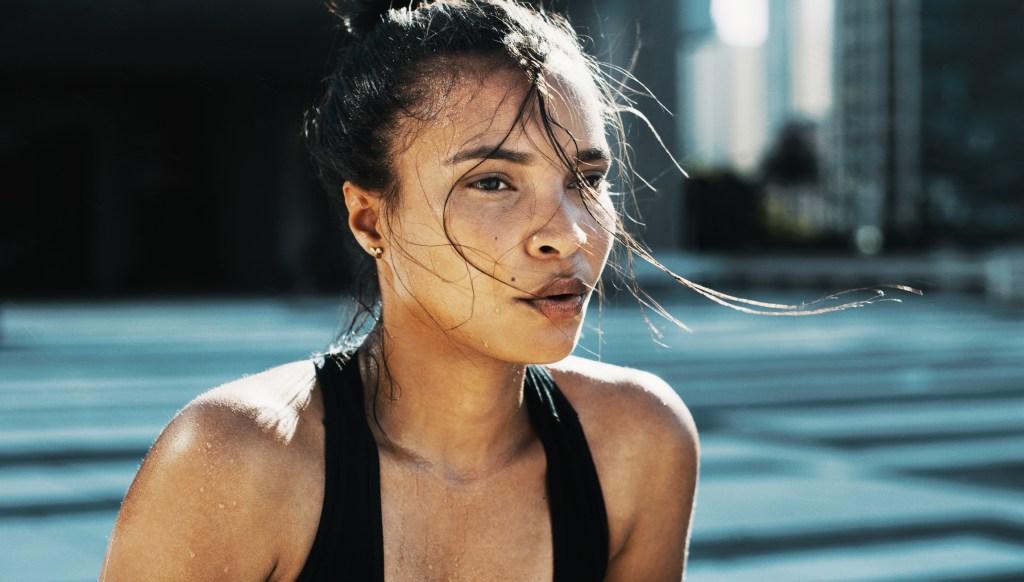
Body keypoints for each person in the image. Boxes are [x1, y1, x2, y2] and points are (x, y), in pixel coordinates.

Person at [100, 0, 699, 580]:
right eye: (492, 182)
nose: (568, 235)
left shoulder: (635, 444)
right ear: (370, 219)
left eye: (587, 179)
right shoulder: (238, 462)